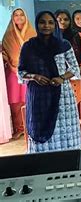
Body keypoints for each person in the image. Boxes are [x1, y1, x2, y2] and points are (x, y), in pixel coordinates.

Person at [18, 11, 81, 153]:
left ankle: (68, 161)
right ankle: (43, 162)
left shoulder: (63, 44)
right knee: (40, 127)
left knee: (66, 132)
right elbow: (21, 72)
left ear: (55, 25)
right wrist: (35, 76)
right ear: (37, 24)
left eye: (50, 22)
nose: (46, 25)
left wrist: (62, 78)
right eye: (42, 22)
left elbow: (74, 68)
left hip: (62, 96)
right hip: (39, 96)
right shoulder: (29, 47)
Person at [56, 9, 81, 145]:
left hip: (78, 77)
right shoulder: (51, 38)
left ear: (70, 21)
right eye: (59, 19)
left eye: (65, 19)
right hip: (58, 79)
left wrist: (75, 72)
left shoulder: (78, 36)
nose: (62, 22)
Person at [1, 8, 36, 138]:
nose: (19, 17)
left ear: (25, 17)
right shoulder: (8, 36)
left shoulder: (32, 34)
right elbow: (5, 53)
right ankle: (19, 128)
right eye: (16, 15)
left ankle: (31, 127)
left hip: (30, 72)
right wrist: (12, 66)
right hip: (12, 71)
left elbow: (38, 52)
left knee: (30, 98)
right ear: (12, 18)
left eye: (22, 14)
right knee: (15, 101)